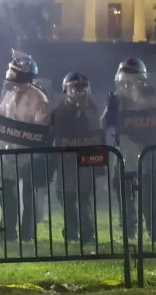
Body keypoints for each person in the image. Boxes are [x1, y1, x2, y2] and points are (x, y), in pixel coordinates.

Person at [0, 50, 51, 246]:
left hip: (29, 155)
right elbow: (1, 117)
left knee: (29, 197)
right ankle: (8, 235)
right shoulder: (10, 95)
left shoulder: (39, 99)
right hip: (10, 153)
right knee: (7, 195)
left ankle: (27, 236)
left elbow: (40, 129)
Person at [101, 58, 156, 241]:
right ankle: (129, 232)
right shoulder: (117, 98)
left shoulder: (154, 95)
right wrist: (110, 109)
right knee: (125, 195)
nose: (129, 82)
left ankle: (155, 231)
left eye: (133, 77)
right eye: (126, 77)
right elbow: (104, 123)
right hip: (126, 153)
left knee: (152, 194)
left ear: (141, 78)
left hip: (151, 151)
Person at [50, 72, 101, 245]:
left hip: (86, 161)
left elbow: (97, 133)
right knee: (66, 197)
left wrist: (86, 110)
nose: (79, 91)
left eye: (82, 87)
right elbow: (60, 140)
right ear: (66, 89)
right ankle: (71, 232)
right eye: (74, 88)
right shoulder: (59, 112)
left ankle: (88, 234)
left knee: (84, 197)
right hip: (66, 162)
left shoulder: (92, 110)